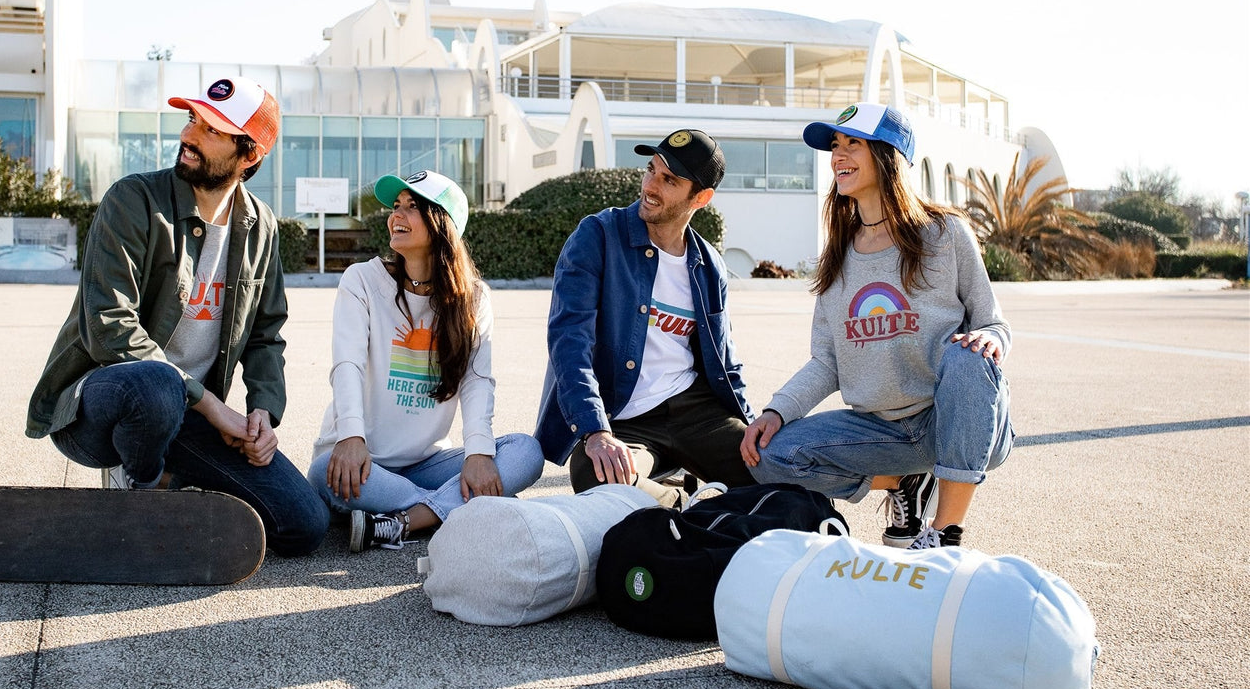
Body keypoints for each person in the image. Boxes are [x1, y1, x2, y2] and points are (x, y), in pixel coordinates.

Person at [25, 76, 328, 558]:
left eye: (211, 129)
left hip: (185, 418)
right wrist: (212, 406)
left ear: (248, 155)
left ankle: (172, 477)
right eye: (192, 119)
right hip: (101, 406)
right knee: (156, 384)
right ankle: (137, 478)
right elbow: (109, 326)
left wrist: (261, 416)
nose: (189, 135)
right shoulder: (133, 201)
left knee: (304, 524)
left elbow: (266, 336)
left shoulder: (261, 228)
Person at [739, 103, 1013, 549]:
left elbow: (993, 323)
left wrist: (989, 337)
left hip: (955, 421)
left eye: (853, 143)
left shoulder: (945, 234)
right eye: (834, 145)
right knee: (767, 455)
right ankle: (901, 482)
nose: (837, 155)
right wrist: (777, 411)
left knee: (969, 356)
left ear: (888, 155)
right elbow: (826, 362)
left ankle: (944, 534)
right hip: (883, 431)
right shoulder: (838, 258)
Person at [309, 170, 545, 551]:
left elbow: (476, 382)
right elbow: (347, 363)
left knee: (526, 452)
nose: (396, 215)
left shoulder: (474, 299)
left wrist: (479, 454)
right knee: (324, 473)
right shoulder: (362, 281)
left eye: (412, 206)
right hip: (362, 461)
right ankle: (464, 507)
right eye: (396, 206)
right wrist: (350, 436)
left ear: (442, 224)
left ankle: (409, 520)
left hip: (428, 462)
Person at [535, 129, 756, 506]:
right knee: (595, 473)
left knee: (776, 469)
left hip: (696, 414)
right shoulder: (598, 237)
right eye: (651, 169)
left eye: (669, 180)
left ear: (700, 198)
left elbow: (725, 361)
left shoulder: (708, 267)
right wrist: (595, 431)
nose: (650, 185)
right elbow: (569, 342)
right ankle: (686, 505)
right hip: (624, 418)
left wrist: (751, 428)